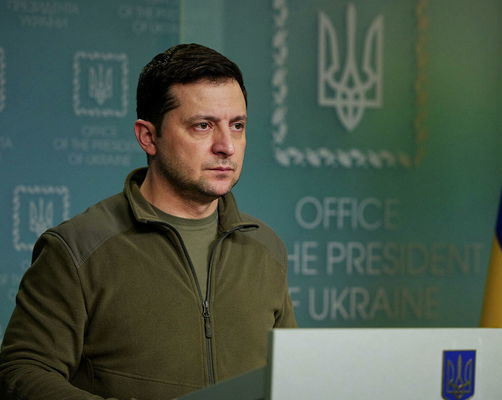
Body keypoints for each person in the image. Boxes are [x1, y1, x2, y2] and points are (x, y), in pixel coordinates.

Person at [0, 43, 297, 400]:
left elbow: (290, 378)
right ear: (148, 136)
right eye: (203, 126)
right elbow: (23, 371)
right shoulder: (77, 248)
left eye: (237, 126)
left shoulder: (265, 246)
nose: (226, 146)